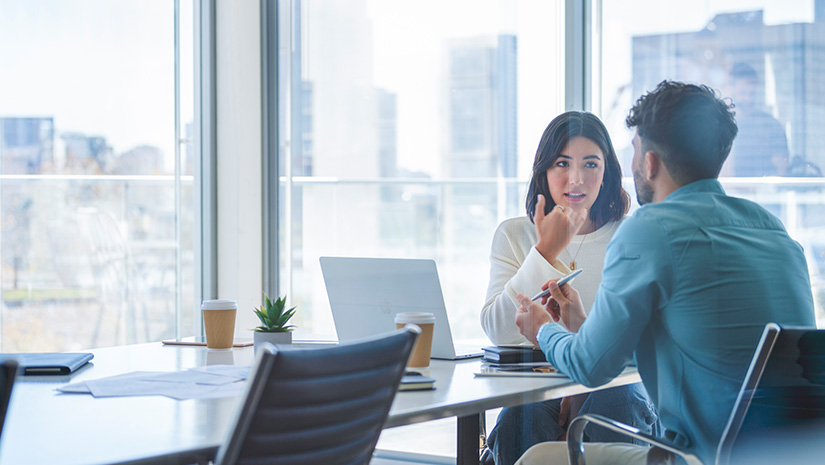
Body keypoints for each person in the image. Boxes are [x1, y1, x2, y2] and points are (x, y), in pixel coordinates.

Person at [513, 81, 816, 465]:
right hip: (796, 455)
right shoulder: (773, 229)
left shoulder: (650, 229)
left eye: (636, 151)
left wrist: (542, 328)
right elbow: (710, 355)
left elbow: (590, 368)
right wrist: (586, 326)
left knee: (537, 458)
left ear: (651, 162)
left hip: (699, 458)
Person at [480, 111, 660, 465]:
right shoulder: (515, 234)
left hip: (617, 385)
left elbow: (644, 342)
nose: (576, 178)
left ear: (606, 171)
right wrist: (545, 251)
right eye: (562, 163)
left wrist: (581, 386)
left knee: (616, 400)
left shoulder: (632, 235)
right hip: (537, 389)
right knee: (522, 414)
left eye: (590, 164)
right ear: (543, 171)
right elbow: (500, 331)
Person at [724, 62, 789, 177]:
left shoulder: (771, 126)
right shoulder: (720, 126)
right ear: (731, 89)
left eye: (752, 93)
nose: (748, 99)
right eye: (743, 92)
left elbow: (782, 169)